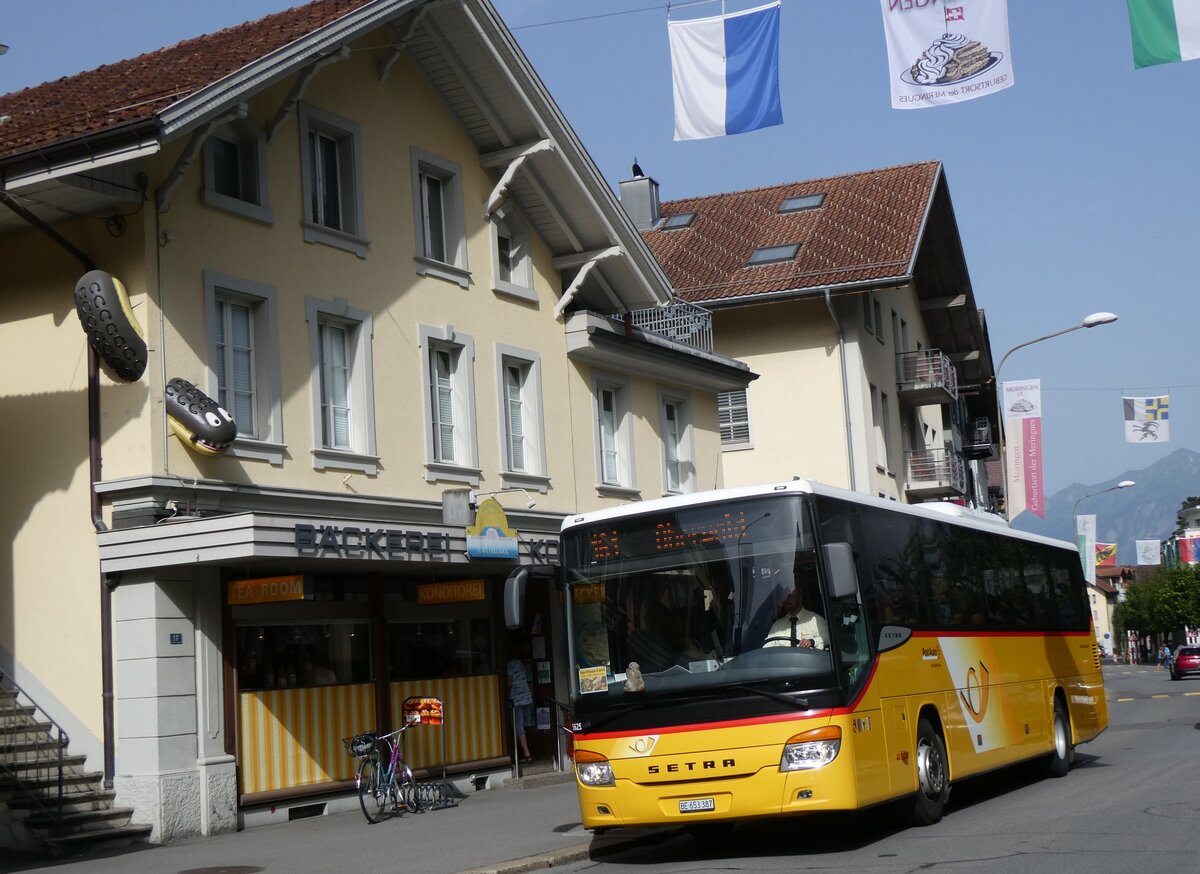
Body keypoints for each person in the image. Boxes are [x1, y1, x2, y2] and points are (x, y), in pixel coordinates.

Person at [764, 585, 828, 649]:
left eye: (790, 596)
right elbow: (766, 646)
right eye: (784, 597)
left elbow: (828, 638)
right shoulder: (777, 626)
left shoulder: (815, 620)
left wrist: (812, 642)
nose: (786, 600)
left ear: (800, 597)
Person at [506, 650, 534, 763]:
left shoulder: (509, 666)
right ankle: (516, 752)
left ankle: (526, 754)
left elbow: (508, 683)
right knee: (519, 726)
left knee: (518, 727)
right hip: (526, 698)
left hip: (516, 699)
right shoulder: (518, 663)